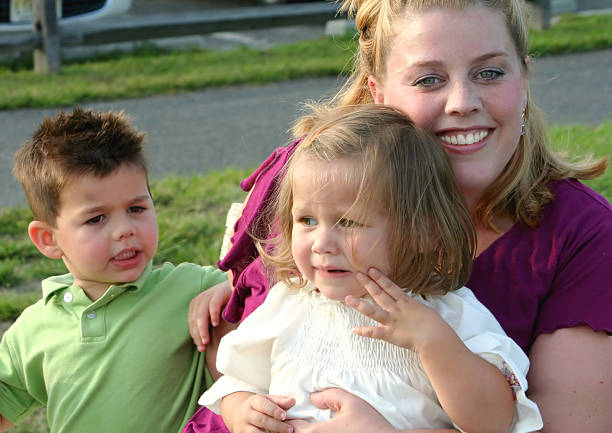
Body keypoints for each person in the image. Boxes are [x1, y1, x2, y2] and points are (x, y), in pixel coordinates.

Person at [186, 0, 611, 432]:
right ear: (379, 93)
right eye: (429, 79)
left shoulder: (458, 309)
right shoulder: (317, 175)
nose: (463, 102)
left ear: (524, 76)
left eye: (489, 72)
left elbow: (506, 419)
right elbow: (230, 357)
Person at [200, 104, 542, 433]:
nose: (322, 243)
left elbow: (494, 421)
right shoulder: (289, 306)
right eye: (307, 220)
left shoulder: (445, 314)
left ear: (421, 232)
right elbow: (237, 381)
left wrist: (433, 341)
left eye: (348, 222)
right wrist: (243, 410)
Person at [4, 108, 227, 433]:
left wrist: (232, 286)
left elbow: (278, 284)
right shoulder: (33, 331)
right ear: (49, 240)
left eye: (136, 208)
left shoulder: (192, 287)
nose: (125, 230)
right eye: (96, 218)